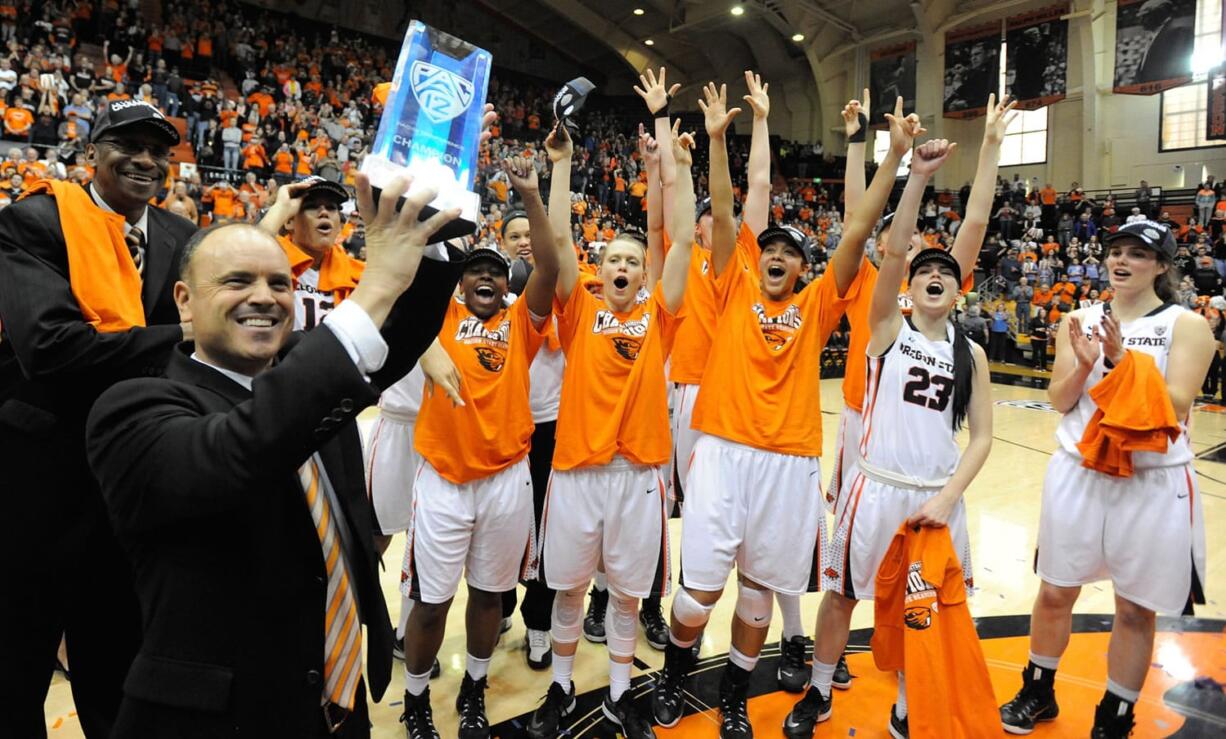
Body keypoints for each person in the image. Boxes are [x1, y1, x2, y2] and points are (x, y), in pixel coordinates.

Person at [85, 175, 466, 738]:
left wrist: (429, 230)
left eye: (279, 283)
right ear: (184, 300)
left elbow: (399, 335)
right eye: (237, 281)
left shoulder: (307, 377)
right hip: (220, 720)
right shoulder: (133, 406)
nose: (264, 297)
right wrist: (376, 282)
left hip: (333, 700)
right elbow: (243, 447)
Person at [649, 91, 907, 739]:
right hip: (726, 452)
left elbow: (857, 229)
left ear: (802, 267)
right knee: (694, 597)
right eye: (769, 247)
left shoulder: (819, 304)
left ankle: (733, 694)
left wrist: (889, 155)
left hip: (789, 463)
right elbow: (732, 205)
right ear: (753, 255)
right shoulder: (731, 280)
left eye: (790, 251)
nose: (776, 254)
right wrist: (714, 141)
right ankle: (675, 672)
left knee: (759, 601)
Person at [0, 99, 195, 739]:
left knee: (118, 657)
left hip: (133, 481)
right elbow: (52, 348)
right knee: (19, 658)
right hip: (43, 480)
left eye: (157, 149)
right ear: (92, 153)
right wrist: (183, 333)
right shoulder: (33, 221)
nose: (144, 160)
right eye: (127, 144)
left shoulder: (178, 236)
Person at [787, 138, 993, 738]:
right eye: (924, 271)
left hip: (935, 497)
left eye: (945, 274)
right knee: (843, 597)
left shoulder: (971, 352)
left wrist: (950, 497)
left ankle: (907, 703)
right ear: (909, 285)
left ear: (960, 291)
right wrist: (918, 178)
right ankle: (820, 690)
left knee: (920, 608)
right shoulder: (886, 329)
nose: (933, 276)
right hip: (875, 489)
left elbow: (982, 438)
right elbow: (897, 247)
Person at [999, 221, 1213, 739]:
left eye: (1138, 254)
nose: (1121, 261)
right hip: (1080, 471)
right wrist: (1085, 366)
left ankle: (1114, 716)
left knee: (1135, 609)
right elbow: (1059, 400)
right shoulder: (1079, 318)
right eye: (1116, 251)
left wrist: (1119, 361)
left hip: (1152, 481)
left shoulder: (1187, 325)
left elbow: (1177, 403)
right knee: (1054, 592)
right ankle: (1038, 688)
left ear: (1161, 266)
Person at [527, 122, 697, 739]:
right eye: (613, 260)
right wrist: (563, 165)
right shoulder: (580, 313)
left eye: (631, 260)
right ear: (599, 273)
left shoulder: (660, 317)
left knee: (627, 598)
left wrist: (676, 167)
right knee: (570, 591)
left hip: (638, 476)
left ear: (642, 274)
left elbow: (678, 243)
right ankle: (564, 688)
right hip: (577, 472)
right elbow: (558, 244)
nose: (622, 265)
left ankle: (622, 695)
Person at [399, 156, 560, 738]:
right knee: (431, 602)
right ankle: (416, 699)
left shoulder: (523, 323)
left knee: (490, 595)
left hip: (506, 479)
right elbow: (409, 263)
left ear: (507, 282)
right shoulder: (438, 316)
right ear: (461, 282)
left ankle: (474, 688)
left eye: (495, 270)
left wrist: (532, 197)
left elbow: (548, 264)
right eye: (475, 271)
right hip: (444, 478)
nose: (485, 278)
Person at [259, 175, 364, 330]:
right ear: (288, 221)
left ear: (339, 225)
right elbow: (241, 259)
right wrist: (281, 207)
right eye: (311, 206)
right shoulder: (269, 258)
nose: (323, 212)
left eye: (331, 207)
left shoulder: (358, 273)